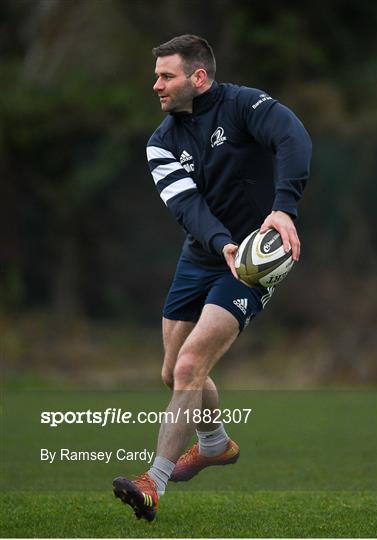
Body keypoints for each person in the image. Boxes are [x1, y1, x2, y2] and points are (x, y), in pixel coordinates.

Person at [113, 34, 312, 521]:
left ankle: (151, 483)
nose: (156, 84)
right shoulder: (160, 143)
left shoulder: (244, 105)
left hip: (254, 260)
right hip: (204, 253)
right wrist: (220, 243)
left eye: (167, 75)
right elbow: (186, 205)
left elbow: (294, 139)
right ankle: (215, 443)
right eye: (157, 75)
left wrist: (282, 210)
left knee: (189, 366)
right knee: (173, 371)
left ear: (198, 78)